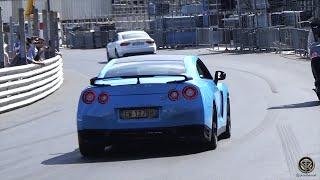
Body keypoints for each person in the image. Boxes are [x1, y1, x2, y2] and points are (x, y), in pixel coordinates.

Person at [309, 18, 320, 99]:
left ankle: (317, 84)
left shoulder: (312, 31)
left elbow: (309, 44)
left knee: (315, 71)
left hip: (315, 54)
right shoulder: (312, 31)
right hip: (315, 55)